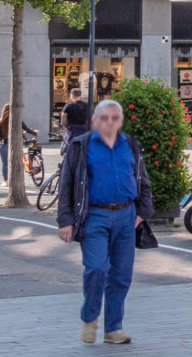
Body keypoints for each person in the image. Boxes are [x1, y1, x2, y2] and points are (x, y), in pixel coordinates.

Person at [57, 99, 154, 347]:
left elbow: (142, 179)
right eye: (104, 118)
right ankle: (90, 318)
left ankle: (114, 329)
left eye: (114, 118)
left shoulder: (130, 145)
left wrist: (143, 211)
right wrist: (65, 221)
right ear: (95, 120)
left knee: (122, 275)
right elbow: (67, 184)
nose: (109, 122)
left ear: (119, 121)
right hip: (95, 216)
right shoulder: (81, 145)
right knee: (97, 268)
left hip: (127, 216)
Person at [0, 102, 12, 183]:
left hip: (3, 143)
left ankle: (6, 180)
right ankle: (14, 179)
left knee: (5, 163)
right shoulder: (15, 120)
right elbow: (25, 127)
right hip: (13, 144)